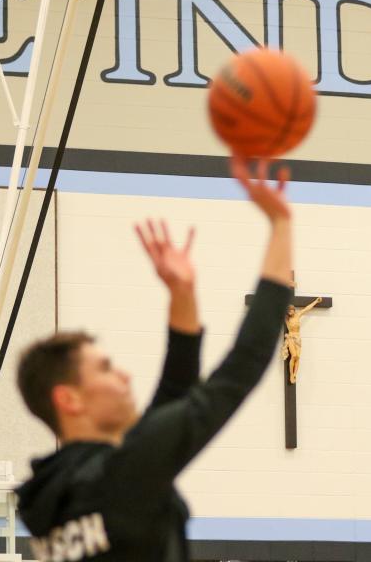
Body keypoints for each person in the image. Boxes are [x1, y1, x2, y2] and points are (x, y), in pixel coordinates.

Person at [15, 156, 292, 562]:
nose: (124, 375)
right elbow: (241, 368)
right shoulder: (123, 476)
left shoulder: (50, 498)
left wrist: (182, 296)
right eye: (105, 369)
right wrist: (281, 227)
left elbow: (174, 394)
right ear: (69, 399)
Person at [282, 295, 323, 384]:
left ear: (293, 310)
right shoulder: (286, 319)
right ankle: (291, 374)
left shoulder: (298, 315)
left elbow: (307, 308)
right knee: (293, 356)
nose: (290, 312)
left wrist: (316, 301)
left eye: (291, 310)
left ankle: (295, 374)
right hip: (291, 338)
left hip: (298, 338)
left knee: (298, 357)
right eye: (288, 311)